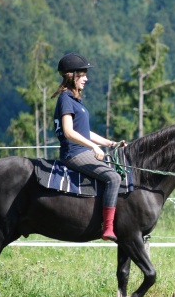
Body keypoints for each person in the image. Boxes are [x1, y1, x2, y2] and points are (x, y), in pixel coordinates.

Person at [52, 52, 124, 242]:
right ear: (71, 75)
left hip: (83, 150)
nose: (86, 78)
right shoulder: (65, 99)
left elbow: (84, 131)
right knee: (114, 177)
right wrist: (94, 147)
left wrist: (110, 143)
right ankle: (108, 228)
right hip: (74, 154)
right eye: (83, 75)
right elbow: (69, 132)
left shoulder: (75, 100)